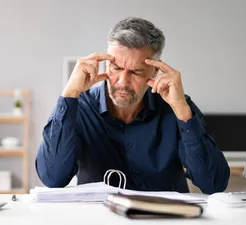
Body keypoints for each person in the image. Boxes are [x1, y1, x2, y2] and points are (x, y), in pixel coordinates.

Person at [35, 17, 230, 194]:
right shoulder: (81, 107)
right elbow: (53, 178)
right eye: (116, 67)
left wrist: (182, 112)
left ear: (154, 71)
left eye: (136, 72)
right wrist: (69, 94)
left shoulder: (177, 107)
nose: (122, 81)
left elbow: (214, 184)